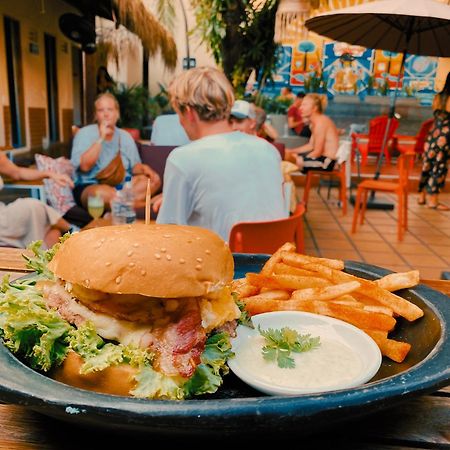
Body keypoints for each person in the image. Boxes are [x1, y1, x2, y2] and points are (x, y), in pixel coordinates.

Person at [154, 66, 286, 241]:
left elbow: (167, 236)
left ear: (189, 112)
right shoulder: (268, 150)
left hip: (223, 265)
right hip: (273, 262)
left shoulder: (183, 159)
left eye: (179, 114)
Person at [70, 92, 161, 210]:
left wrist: (144, 168)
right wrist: (101, 138)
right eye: (101, 110)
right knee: (100, 194)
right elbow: (85, 166)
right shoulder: (84, 134)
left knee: (153, 181)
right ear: (96, 115)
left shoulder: (125, 137)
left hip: (122, 187)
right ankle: (147, 205)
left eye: (110, 110)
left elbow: (134, 167)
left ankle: (119, 204)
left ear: (117, 114)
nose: (106, 114)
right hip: (91, 186)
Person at [0, 153, 72, 248]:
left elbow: (18, 173)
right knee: (33, 207)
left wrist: (49, 174)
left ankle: (72, 233)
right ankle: (72, 231)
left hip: (3, 213)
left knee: (53, 231)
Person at [418, 72, 450, 211]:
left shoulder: (438, 97)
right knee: (440, 166)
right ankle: (433, 200)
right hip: (446, 136)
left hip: (433, 134)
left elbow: (436, 113)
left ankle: (422, 196)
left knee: (427, 164)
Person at [285, 93, 339, 173]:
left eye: (304, 105)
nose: (300, 108)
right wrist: (291, 151)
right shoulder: (315, 123)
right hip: (321, 159)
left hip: (326, 162)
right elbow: (311, 146)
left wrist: (300, 158)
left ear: (314, 108)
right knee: (288, 155)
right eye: (301, 105)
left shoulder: (320, 123)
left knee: (288, 158)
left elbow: (317, 151)